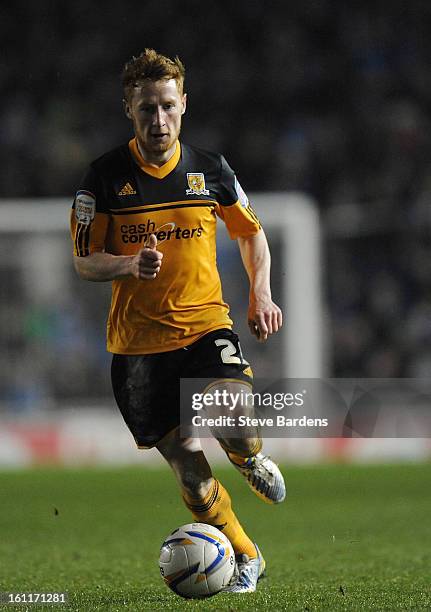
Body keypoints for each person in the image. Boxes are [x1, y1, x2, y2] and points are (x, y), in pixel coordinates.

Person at [70, 48, 284, 593]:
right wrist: (126, 264)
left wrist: (260, 294)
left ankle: (249, 455)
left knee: (229, 412)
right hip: (137, 350)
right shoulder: (102, 179)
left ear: (183, 105)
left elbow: (250, 232)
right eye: (147, 109)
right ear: (129, 108)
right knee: (188, 467)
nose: (158, 120)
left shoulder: (211, 169)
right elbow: (82, 260)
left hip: (204, 325)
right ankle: (245, 554)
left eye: (167, 106)